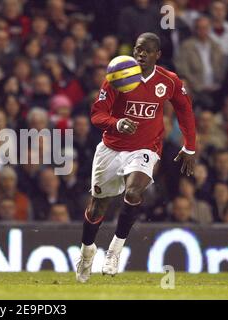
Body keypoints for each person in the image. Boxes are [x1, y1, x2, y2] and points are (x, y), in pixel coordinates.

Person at [75, 32, 196, 283]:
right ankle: (87, 252)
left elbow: (184, 109)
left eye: (146, 50)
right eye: (138, 49)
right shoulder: (118, 76)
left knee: (133, 193)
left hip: (146, 148)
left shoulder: (168, 80)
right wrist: (116, 123)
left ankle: (115, 251)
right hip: (111, 149)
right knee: (98, 205)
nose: (140, 54)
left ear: (157, 55)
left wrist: (190, 146)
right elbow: (97, 114)